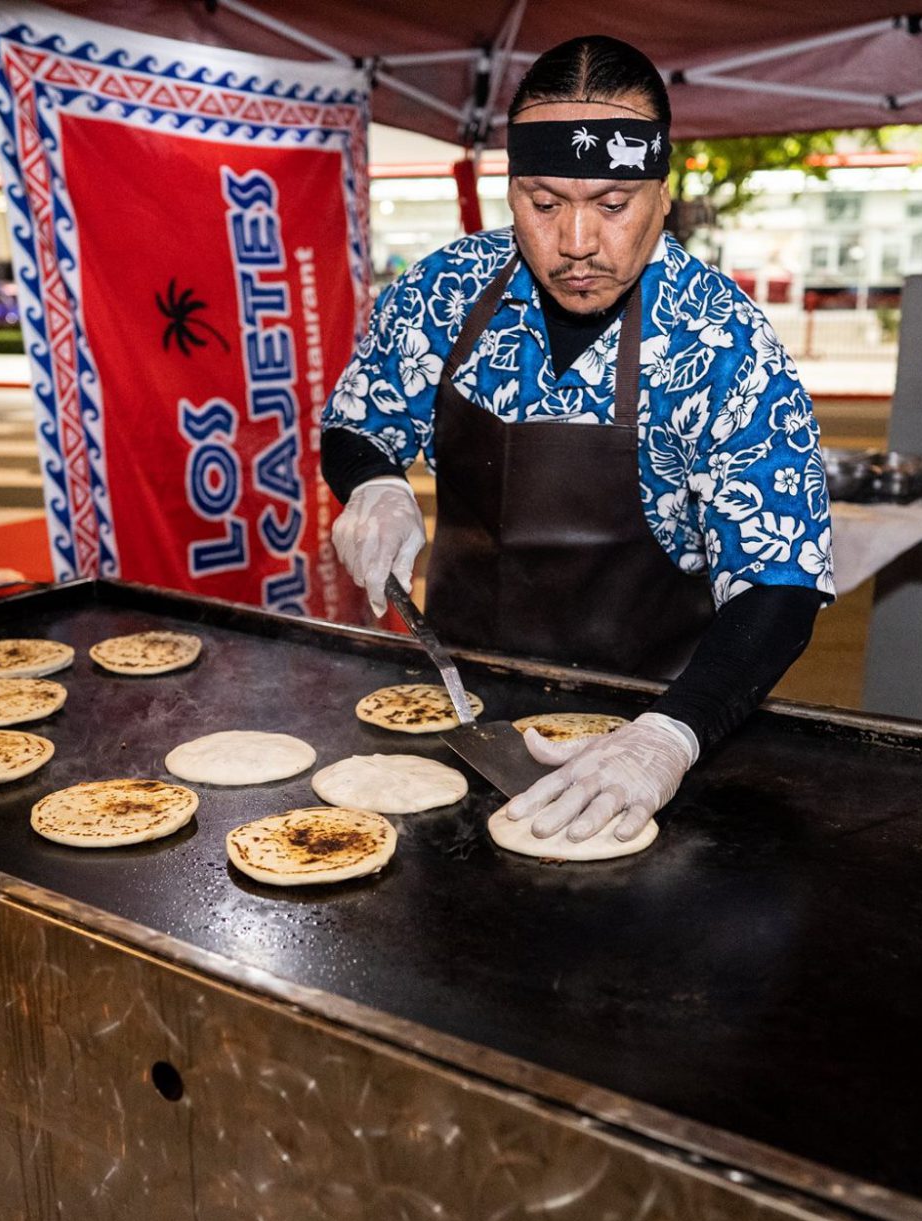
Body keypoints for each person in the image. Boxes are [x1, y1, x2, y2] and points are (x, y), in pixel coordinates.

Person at [321, 36, 832, 843]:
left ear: (663, 195)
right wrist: (376, 484)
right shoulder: (447, 290)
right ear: (511, 190)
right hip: (461, 708)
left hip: (649, 730)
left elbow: (782, 583)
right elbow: (357, 421)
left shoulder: (723, 343)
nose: (578, 241)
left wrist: (668, 738)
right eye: (545, 201)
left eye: (614, 204)